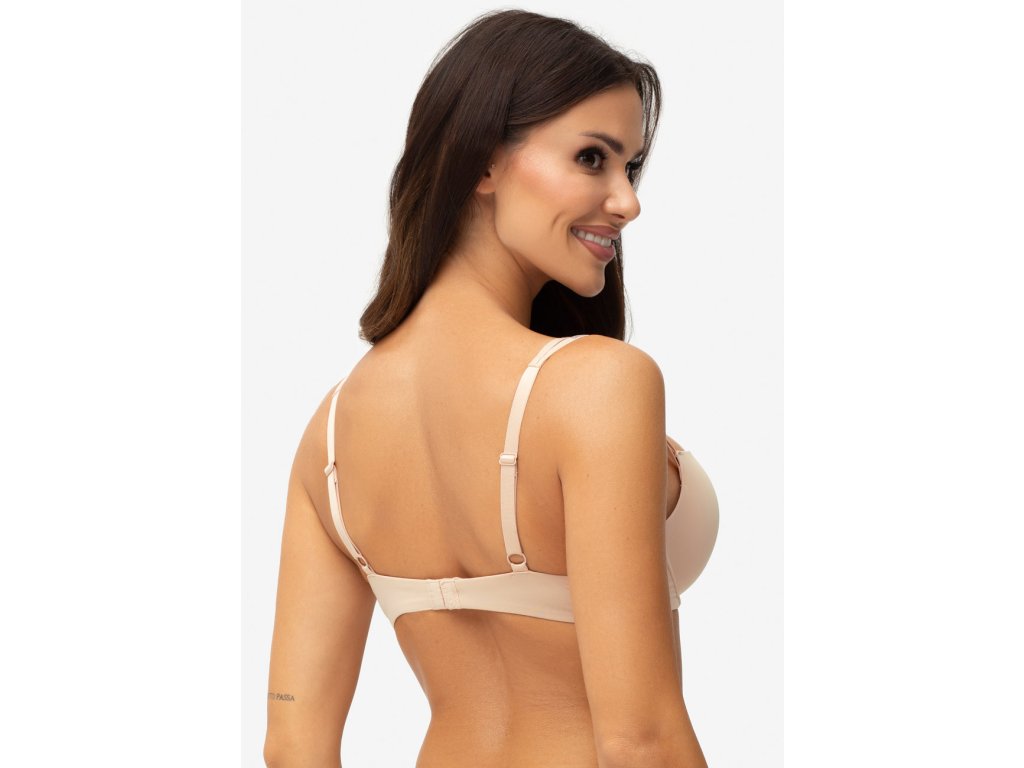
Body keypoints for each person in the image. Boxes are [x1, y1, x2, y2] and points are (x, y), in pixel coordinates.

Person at [263, 9, 719, 767]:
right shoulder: (597, 385)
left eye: (631, 169)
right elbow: (641, 740)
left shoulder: (331, 435)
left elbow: (292, 745)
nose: (628, 201)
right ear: (481, 161)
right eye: (592, 158)